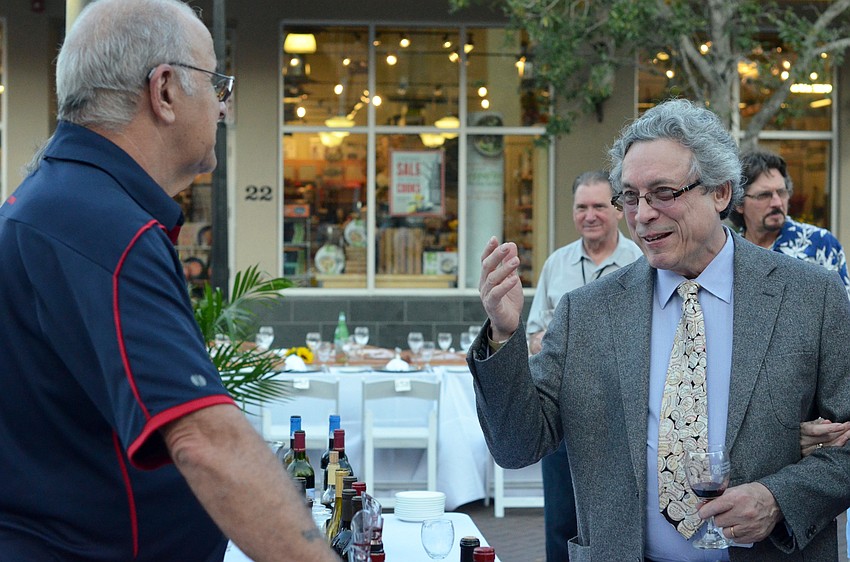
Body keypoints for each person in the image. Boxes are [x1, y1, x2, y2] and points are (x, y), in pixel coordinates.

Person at [0, 1, 335, 561]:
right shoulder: (101, 225)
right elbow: (205, 441)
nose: (224, 107)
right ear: (164, 92)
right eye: (216, 83)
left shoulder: (57, 201)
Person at [472, 98, 850, 561]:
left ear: (720, 193)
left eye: (664, 193)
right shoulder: (587, 313)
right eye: (630, 196)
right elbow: (516, 445)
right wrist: (504, 335)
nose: (643, 213)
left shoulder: (811, 297)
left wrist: (778, 499)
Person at [526, 170, 641, 561]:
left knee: (619, 522)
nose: (589, 215)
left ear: (618, 210)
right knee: (560, 520)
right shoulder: (556, 265)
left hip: (622, 416)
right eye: (581, 207)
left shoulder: (643, 262)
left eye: (598, 206)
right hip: (563, 411)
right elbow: (534, 336)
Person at [728, 149, 850, 298]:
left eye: (781, 192)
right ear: (739, 204)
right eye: (764, 195)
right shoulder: (730, 252)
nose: (777, 203)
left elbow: (842, 313)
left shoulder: (821, 243)